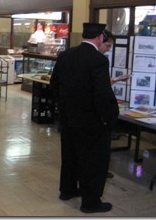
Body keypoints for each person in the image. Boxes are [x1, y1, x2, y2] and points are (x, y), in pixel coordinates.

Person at [50, 23, 119, 214]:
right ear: (100, 37)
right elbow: (102, 94)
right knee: (93, 161)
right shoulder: (98, 60)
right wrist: (109, 117)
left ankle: (68, 190)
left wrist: (63, 107)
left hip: (68, 117)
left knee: (70, 155)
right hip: (91, 121)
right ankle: (90, 201)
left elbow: (53, 83)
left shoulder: (66, 55)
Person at [99, 29, 132, 179]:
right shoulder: (99, 61)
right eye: (108, 45)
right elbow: (101, 85)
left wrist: (118, 79)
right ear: (99, 40)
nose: (109, 49)